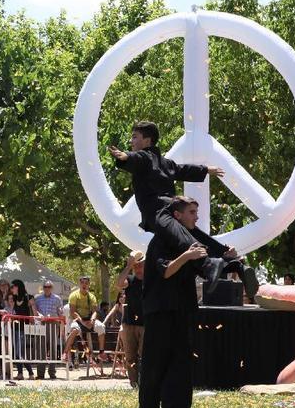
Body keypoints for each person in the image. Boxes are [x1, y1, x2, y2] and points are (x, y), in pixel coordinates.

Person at [108, 121, 258, 299]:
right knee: (190, 233)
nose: (131, 141)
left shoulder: (144, 157)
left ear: (147, 141)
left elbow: (137, 158)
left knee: (183, 239)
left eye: (135, 137)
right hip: (174, 207)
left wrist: (125, 156)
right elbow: (182, 169)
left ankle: (209, 264)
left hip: (158, 211)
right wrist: (206, 170)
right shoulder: (165, 163)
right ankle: (233, 263)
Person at [139, 196, 206, 408]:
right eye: (192, 212)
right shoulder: (160, 241)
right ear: (177, 215)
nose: (197, 217)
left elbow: (204, 267)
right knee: (154, 366)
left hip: (183, 311)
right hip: (160, 312)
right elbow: (166, 271)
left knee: (181, 366)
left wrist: (226, 259)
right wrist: (186, 256)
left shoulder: (190, 242)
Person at [116, 250, 145, 388]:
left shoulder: (152, 280)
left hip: (146, 324)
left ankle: (145, 383)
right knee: (130, 357)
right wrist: (128, 266)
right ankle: (134, 384)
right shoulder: (131, 280)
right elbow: (118, 284)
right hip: (129, 324)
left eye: (140, 266)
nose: (138, 269)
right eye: (136, 266)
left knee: (145, 355)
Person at [64, 276, 107, 363]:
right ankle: (65, 352)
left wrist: (92, 320)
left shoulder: (91, 297)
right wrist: (82, 322)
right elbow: (72, 312)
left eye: (86, 283)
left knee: (101, 326)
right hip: (78, 320)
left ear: (89, 285)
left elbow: (95, 311)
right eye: (82, 283)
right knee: (74, 330)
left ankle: (101, 352)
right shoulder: (73, 295)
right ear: (79, 284)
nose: (84, 285)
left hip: (89, 320)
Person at [33, 280, 62, 379]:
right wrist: (39, 315)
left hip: (53, 324)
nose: (47, 288)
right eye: (45, 286)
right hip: (41, 324)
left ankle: (52, 373)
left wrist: (54, 316)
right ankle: (40, 374)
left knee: (53, 349)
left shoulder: (57, 298)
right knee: (41, 349)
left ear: (52, 288)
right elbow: (35, 310)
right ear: (43, 287)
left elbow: (60, 312)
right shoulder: (38, 298)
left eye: (49, 287)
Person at [9, 280, 38, 380]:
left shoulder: (29, 297)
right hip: (15, 327)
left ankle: (30, 373)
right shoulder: (14, 298)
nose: (11, 289)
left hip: (25, 328)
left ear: (18, 287)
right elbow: (13, 312)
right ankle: (21, 373)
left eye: (12, 287)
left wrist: (35, 320)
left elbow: (35, 313)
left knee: (19, 352)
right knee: (18, 352)